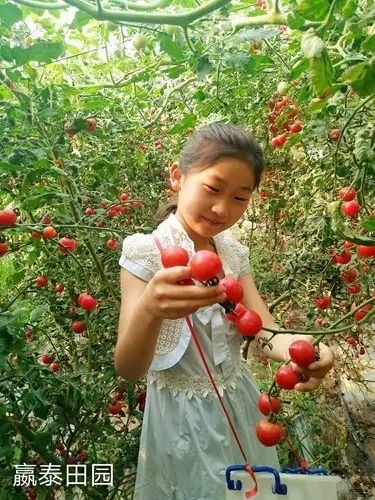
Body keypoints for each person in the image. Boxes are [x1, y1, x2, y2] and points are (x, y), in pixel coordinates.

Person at [114, 123, 334, 500]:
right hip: (180, 419)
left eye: (239, 198)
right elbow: (130, 369)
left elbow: (264, 331)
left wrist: (307, 349)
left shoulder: (231, 252)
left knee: (251, 488)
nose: (221, 208)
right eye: (213, 189)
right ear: (177, 177)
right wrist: (150, 308)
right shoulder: (146, 253)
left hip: (241, 404)